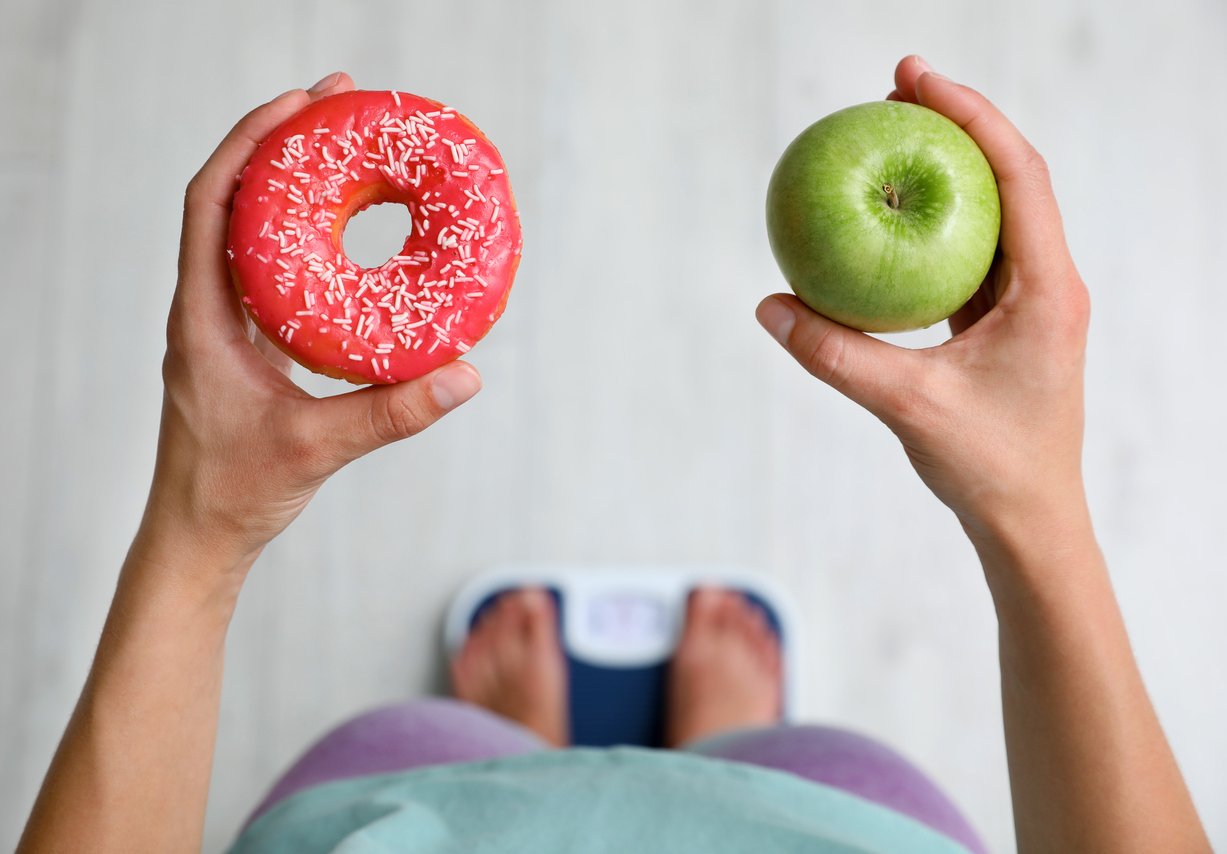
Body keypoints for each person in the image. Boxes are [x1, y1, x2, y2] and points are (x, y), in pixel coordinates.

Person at [16, 56, 1211, 854]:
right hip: (817, 825)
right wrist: (1037, 510)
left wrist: (200, 528)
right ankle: (708, 737)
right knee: (814, 766)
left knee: (425, 747)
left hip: (420, 820)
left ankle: (522, 733)